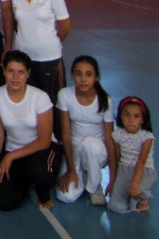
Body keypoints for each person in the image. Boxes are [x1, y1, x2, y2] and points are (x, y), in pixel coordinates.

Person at [0, 50, 62, 210]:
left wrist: (10, 157)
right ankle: (23, 182)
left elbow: (44, 141)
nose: (15, 77)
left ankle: (43, 192)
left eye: (20, 72)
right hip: (14, 152)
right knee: (2, 202)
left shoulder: (40, 98)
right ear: (4, 71)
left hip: (43, 150)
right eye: (11, 71)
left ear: (28, 74)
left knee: (41, 172)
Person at [13, 0, 71, 138]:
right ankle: (30, 139)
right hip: (24, 61)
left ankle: (56, 141)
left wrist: (49, 42)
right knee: (27, 101)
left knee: (52, 101)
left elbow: (65, 27)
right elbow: (15, 25)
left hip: (49, 59)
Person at [56, 56, 115, 206]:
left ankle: (94, 186)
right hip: (75, 151)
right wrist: (71, 170)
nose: (83, 79)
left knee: (89, 145)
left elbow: (110, 139)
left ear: (96, 77)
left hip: (97, 152)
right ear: (73, 75)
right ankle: (84, 176)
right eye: (78, 74)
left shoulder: (105, 100)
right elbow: (66, 135)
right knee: (66, 196)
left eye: (88, 74)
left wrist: (113, 179)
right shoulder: (64, 95)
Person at [108, 96, 156, 213]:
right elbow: (118, 158)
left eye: (136, 116)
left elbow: (141, 162)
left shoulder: (147, 137)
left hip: (143, 170)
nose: (131, 120)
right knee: (115, 207)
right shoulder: (118, 135)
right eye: (127, 115)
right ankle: (128, 194)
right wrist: (113, 182)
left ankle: (143, 199)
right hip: (125, 169)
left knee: (134, 202)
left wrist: (134, 184)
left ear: (142, 120)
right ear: (121, 116)